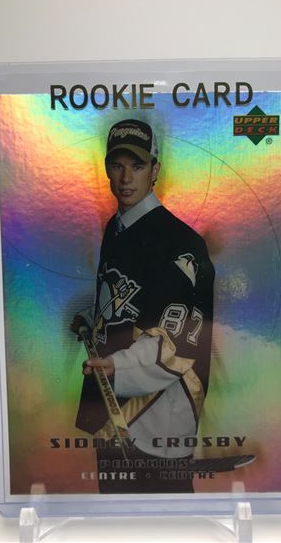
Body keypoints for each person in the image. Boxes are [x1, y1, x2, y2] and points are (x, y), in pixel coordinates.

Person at [71, 119, 214, 493]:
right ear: (106, 168)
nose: (125, 178)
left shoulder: (181, 244)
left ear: (155, 170)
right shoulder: (116, 227)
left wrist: (116, 366)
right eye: (117, 165)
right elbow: (123, 300)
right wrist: (91, 319)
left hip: (157, 422)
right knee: (115, 514)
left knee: (164, 518)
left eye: (137, 166)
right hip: (112, 409)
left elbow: (178, 342)